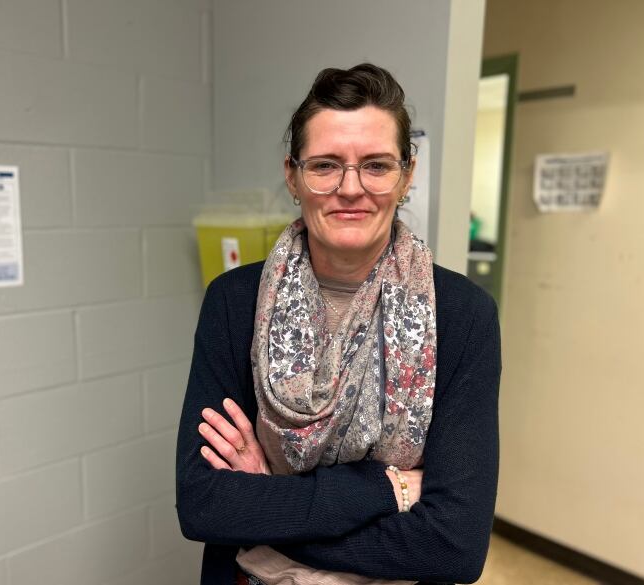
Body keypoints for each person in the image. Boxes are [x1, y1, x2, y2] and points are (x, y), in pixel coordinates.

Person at [176, 63, 501, 585]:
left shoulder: (462, 315)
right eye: (325, 165)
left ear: (406, 176)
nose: (351, 188)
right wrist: (382, 490)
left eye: (376, 165)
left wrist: (268, 506)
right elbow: (205, 505)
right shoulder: (234, 302)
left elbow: (453, 547)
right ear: (293, 176)